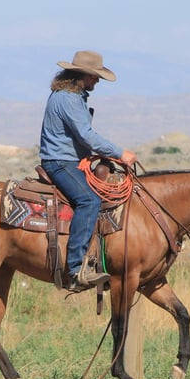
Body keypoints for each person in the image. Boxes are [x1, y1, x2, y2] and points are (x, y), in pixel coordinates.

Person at [39, 50, 138, 293]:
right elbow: (86, 135)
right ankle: (75, 269)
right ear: (80, 74)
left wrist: (85, 157)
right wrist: (119, 153)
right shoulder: (68, 99)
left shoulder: (72, 96)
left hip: (69, 160)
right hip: (59, 162)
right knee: (88, 200)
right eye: (94, 76)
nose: (97, 81)